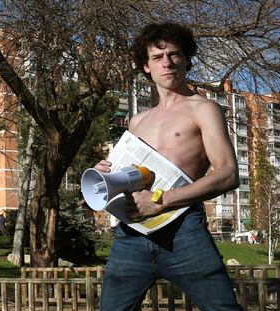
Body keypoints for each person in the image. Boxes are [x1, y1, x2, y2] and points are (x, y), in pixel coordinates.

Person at [95, 22, 242, 310]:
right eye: (157, 58)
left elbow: (228, 173)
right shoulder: (138, 120)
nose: (168, 63)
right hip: (132, 233)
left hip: (184, 231)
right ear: (146, 66)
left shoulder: (204, 109)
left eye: (174, 55)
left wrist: (161, 201)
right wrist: (107, 175)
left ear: (186, 59)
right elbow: (134, 177)